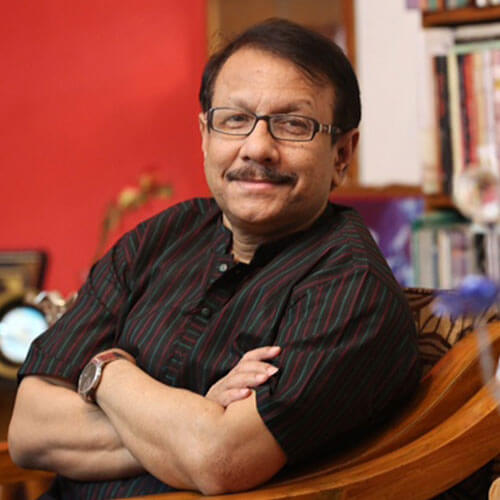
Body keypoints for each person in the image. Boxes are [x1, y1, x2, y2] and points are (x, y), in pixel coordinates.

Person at [8, 18, 421, 499]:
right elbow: (28, 430)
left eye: (293, 124)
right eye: (235, 120)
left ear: (342, 154)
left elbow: (219, 461)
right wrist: (196, 417)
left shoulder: (350, 287)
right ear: (205, 135)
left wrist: (104, 369)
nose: (258, 148)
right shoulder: (164, 235)